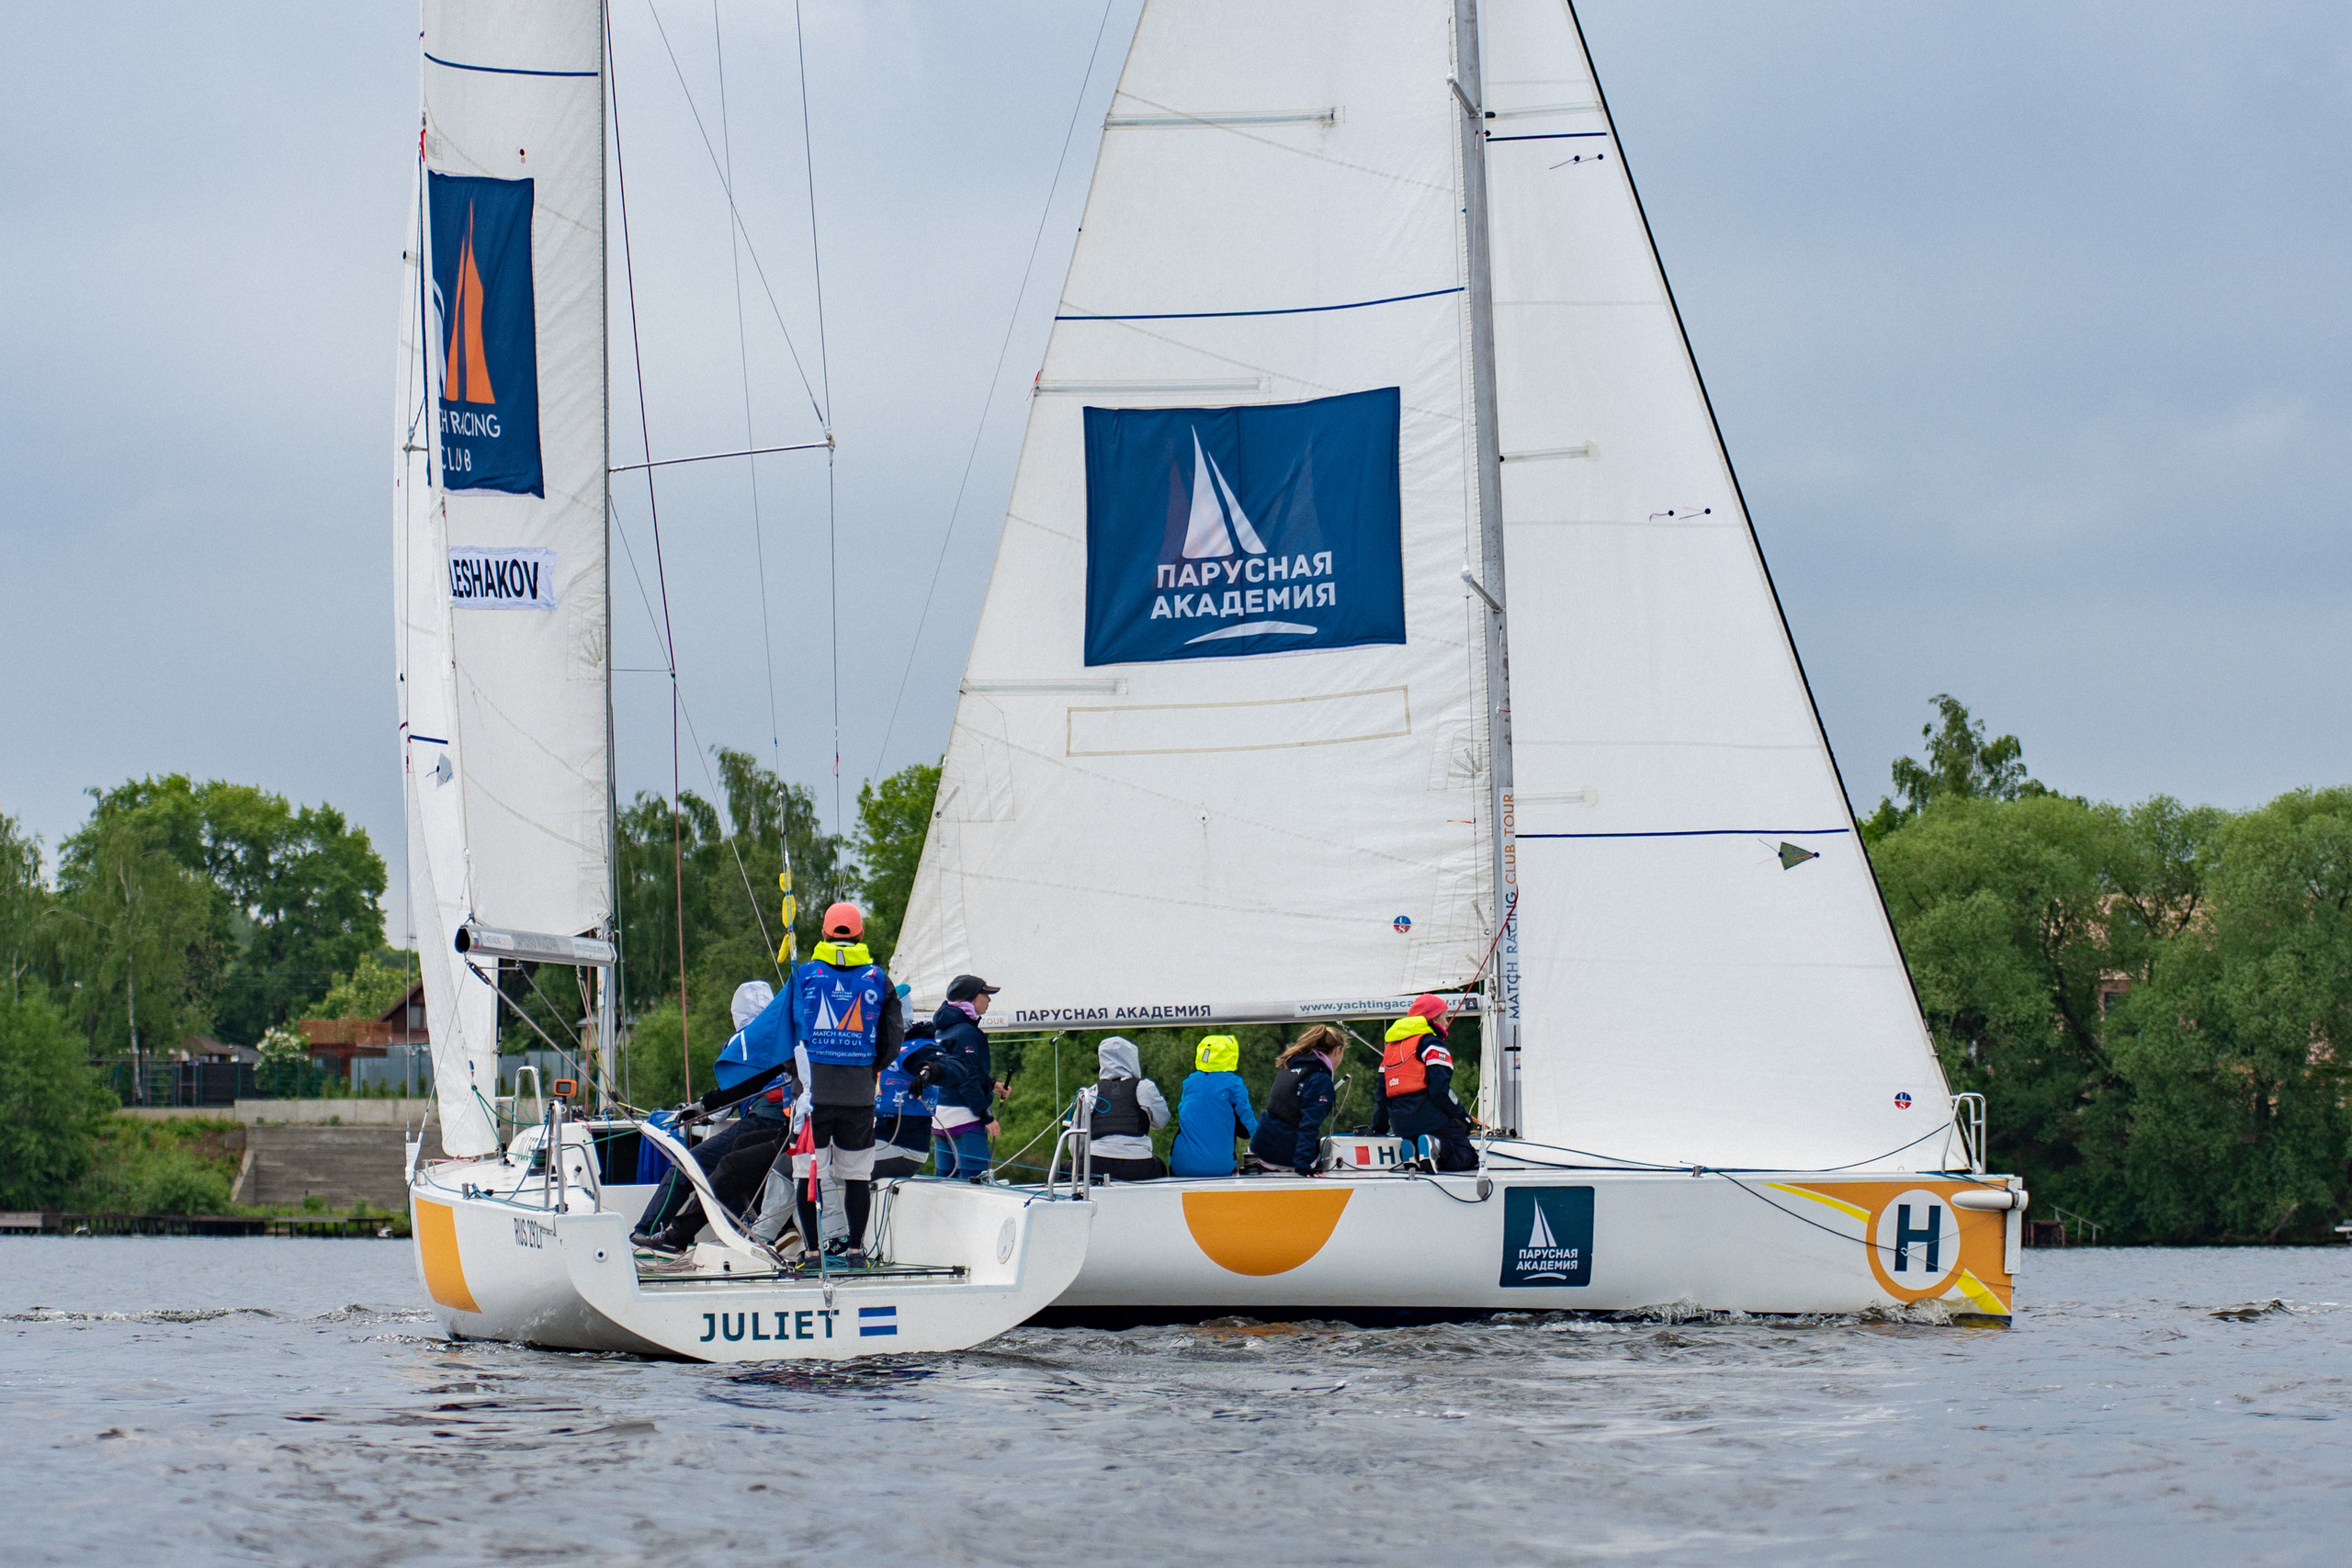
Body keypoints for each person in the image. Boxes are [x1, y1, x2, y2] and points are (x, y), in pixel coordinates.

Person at [769, 902, 904, 1271]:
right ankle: (856, 1250)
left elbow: (782, 1029)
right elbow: (894, 1036)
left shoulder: (803, 974)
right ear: (860, 935)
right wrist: (870, 1069)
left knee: (807, 1172)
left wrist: (797, 1071)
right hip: (859, 1095)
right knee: (857, 1174)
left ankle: (812, 1253)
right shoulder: (879, 979)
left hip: (811, 1095)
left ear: (826, 933)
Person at [631, 979, 784, 1252]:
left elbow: (723, 1108)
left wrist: (698, 1108)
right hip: (791, 1124)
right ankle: (736, 1228)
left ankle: (647, 1230)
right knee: (736, 1163)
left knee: (687, 1163)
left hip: (762, 1119)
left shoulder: (743, 1042)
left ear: (737, 1015)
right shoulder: (783, 1036)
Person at [1372, 994, 1477, 1172]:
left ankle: (1413, 1150)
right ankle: (1436, 1146)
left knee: (1422, 1146)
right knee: (1467, 1155)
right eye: (1445, 1017)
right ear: (1434, 1018)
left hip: (1400, 1124)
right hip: (1430, 1120)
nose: (1447, 1023)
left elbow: (1382, 1096)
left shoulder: (1390, 1051)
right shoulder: (1431, 1045)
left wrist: (1379, 1128)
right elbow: (1440, 1091)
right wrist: (1463, 1117)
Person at [929, 975, 1001, 1180]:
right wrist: (986, 1117)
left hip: (941, 1117)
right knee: (975, 1181)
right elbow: (966, 1078)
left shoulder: (942, 1030)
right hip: (965, 1118)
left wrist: (991, 1084)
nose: (989, 1000)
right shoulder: (966, 1032)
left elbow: (953, 1071)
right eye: (985, 994)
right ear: (970, 998)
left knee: (945, 1180)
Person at [1249, 1024, 1346, 1177]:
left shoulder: (1290, 1066)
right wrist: (1304, 1165)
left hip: (1259, 1147)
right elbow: (1308, 1125)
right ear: (1338, 1050)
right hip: (1285, 1156)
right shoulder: (1320, 1079)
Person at [1169, 1033, 1258, 1178]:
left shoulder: (1189, 1082)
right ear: (1231, 1055)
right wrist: (1264, 1143)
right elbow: (1248, 1122)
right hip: (1220, 1166)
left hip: (1182, 1166)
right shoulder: (1234, 1083)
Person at [1083, 1036, 1169, 1180]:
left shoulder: (1090, 1092)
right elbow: (1162, 1121)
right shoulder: (1144, 1088)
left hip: (1096, 1164)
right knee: (1160, 1166)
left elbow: (1076, 1140)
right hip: (1138, 1165)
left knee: (1066, 1169)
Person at [873, 1020, 943, 1179]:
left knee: (834, 1171)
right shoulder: (890, 1049)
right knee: (833, 1159)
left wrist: (927, 1072)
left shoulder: (917, 1047)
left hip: (904, 1147)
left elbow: (937, 1061)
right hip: (884, 1140)